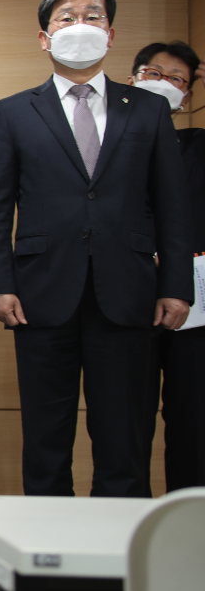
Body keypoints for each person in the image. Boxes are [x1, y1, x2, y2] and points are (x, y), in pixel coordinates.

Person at [0, 0, 192, 500]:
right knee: (46, 438)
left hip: (129, 291)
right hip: (39, 293)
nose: (79, 25)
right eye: (66, 17)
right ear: (43, 37)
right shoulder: (13, 111)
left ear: (111, 34)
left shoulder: (147, 110)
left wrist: (177, 285)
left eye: (92, 16)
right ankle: (48, 569)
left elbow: (171, 205)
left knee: (123, 437)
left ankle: (117, 563)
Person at [127, 42, 205, 492]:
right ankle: (131, 525)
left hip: (191, 302)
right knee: (129, 422)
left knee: (191, 419)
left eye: (176, 78)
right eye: (152, 72)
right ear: (133, 77)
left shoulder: (194, 144)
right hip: (129, 296)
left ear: (189, 95)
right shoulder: (107, 140)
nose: (161, 82)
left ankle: (188, 526)